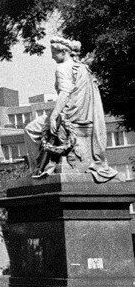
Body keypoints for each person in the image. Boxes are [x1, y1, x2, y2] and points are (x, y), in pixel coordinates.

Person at [26, 37, 120, 182]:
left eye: (54, 53)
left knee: (30, 129)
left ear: (64, 52)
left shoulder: (62, 68)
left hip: (69, 115)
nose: (52, 57)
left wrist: (53, 116)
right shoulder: (83, 68)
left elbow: (65, 93)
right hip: (86, 116)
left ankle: (37, 168)